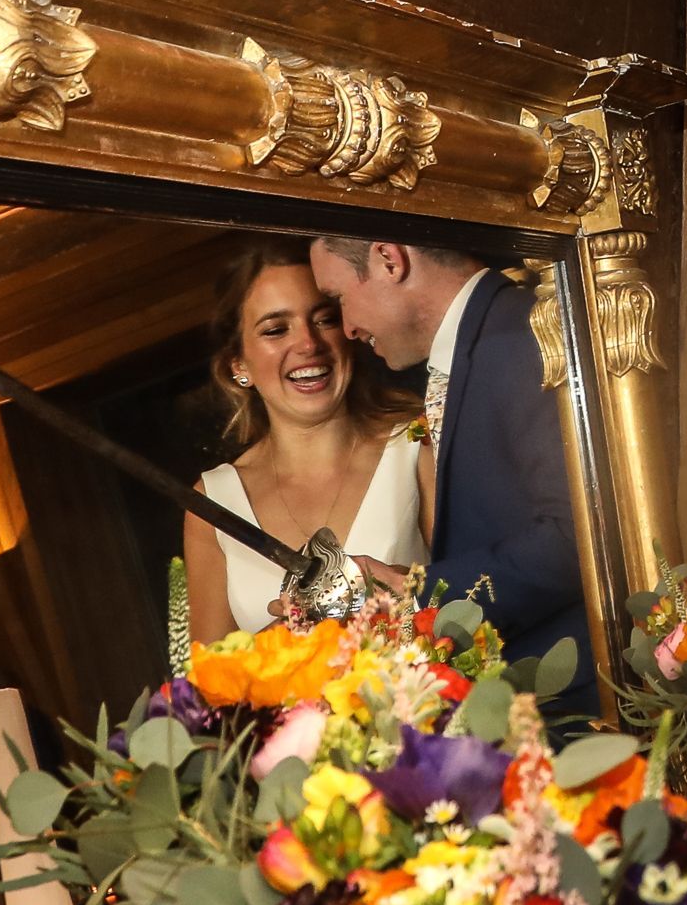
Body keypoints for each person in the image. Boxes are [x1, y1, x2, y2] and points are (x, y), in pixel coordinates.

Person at [308, 235, 598, 716]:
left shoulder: (519, 335)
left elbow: (580, 535)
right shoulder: (479, 343)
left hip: (582, 700)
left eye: (338, 298)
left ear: (389, 259)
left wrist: (414, 594)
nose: (349, 328)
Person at [185, 242, 432, 644]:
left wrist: (406, 596)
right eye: (275, 329)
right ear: (239, 365)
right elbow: (211, 677)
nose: (309, 344)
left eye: (324, 320)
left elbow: (478, 599)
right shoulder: (213, 503)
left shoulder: (417, 444)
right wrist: (279, 642)